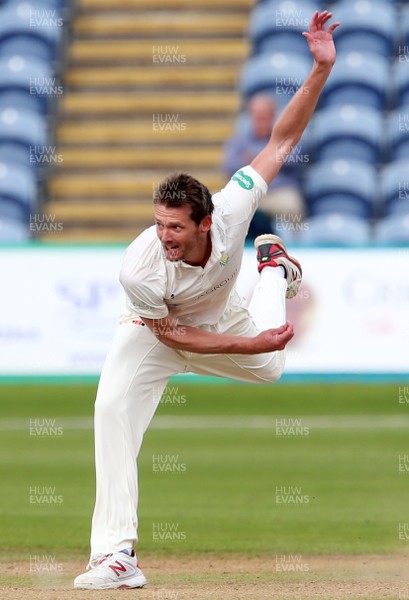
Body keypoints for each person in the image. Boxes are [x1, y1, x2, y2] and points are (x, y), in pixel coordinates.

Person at [74, 11, 339, 590]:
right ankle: (116, 554)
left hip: (220, 313)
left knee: (271, 369)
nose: (165, 236)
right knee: (111, 409)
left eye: (175, 227)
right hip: (158, 331)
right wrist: (246, 342)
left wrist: (319, 69)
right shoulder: (139, 268)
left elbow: (283, 139)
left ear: (204, 221)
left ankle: (272, 269)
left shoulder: (235, 204)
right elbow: (176, 337)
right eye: (159, 224)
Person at [223, 93, 306, 240]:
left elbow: (295, 160)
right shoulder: (239, 140)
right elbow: (229, 166)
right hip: (250, 193)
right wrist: (273, 156)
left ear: (274, 117)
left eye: (265, 117)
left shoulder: (287, 137)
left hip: (280, 193)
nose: (262, 122)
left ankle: (294, 250)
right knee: (224, 209)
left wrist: (253, 157)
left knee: (293, 207)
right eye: (258, 117)